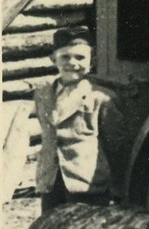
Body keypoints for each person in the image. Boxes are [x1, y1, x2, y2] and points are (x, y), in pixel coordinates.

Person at [34, 26, 125, 212]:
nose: (72, 63)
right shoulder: (43, 94)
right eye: (65, 57)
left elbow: (117, 147)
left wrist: (117, 190)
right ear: (53, 59)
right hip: (51, 183)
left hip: (88, 186)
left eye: (80, 57)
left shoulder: (100, 97)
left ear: (92, 61)